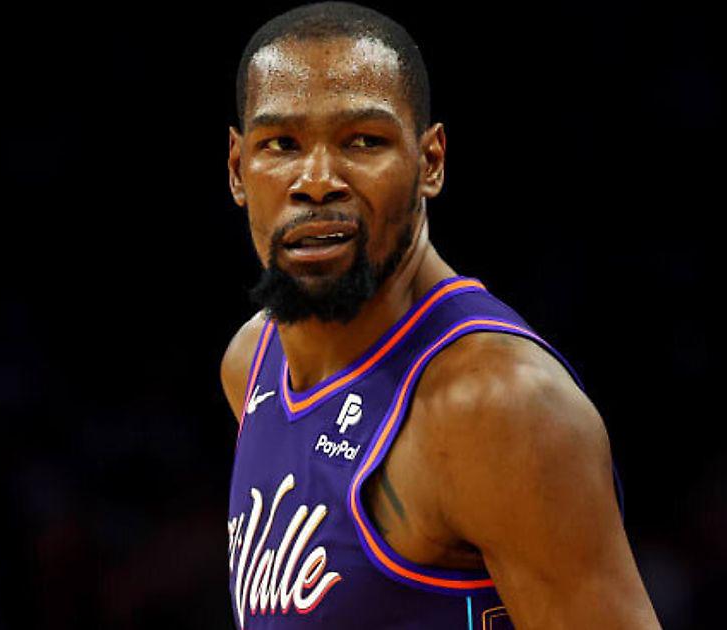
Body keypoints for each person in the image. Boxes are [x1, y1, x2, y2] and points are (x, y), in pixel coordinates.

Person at [222, 3, 662, 628]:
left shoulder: (500, 407)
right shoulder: (252, 364)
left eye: (363, 141)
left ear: (430, 162)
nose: (316, 181)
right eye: (281, 145)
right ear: (238, 169)